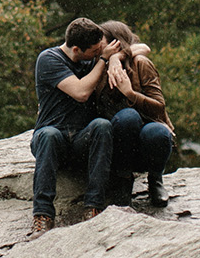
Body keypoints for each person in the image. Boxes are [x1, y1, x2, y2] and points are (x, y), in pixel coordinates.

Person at [29, 17, 120, 238]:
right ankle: (42, 215)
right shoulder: (49, 59)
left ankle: (93, 207)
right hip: (53, 136)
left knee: (102, 126)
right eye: (94, 51)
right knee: (49, 135)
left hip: (82, 137)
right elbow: (80, 92)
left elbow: (136, 47)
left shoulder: (91, 56)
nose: (99, 53)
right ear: (77, 49)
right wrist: (103, 62)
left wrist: (115, 58)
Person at [95, 19, 175, 209]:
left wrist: (130, 93)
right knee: (127, 117)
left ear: (115, 43)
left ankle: (155, 179)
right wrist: (113, 59)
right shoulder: (98, 65)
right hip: (116, 145)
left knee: (155, 131)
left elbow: (159, 107)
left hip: (144, 143)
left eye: (102, 41)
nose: (98, 46)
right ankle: (123, 180)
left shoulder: (141, 64)